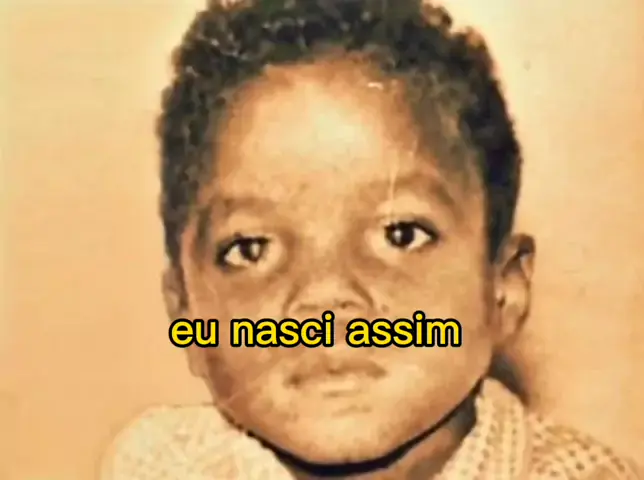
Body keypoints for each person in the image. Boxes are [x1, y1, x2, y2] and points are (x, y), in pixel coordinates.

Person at [100, 0, 641, 478]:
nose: (325, 295)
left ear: (503, 289)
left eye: (400, 234)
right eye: (250, 249)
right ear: (186, 313)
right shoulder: (161, 466)